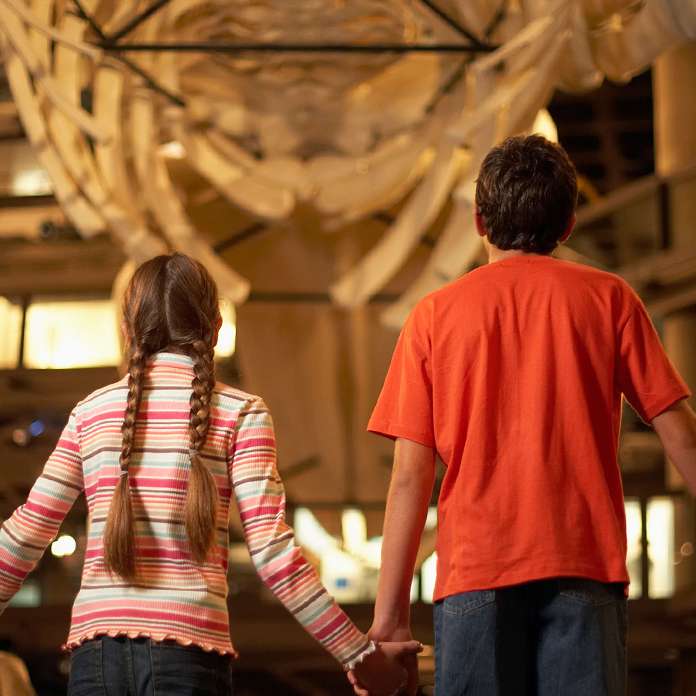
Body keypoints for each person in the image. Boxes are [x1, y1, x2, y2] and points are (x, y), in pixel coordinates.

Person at [354, 135, 696, 696]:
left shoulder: (434, 316)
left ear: (479, 221)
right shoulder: (611, 298)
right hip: (585, 565)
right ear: (567, 226)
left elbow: (410, 477)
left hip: (473, 574)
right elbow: (680, 434)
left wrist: (389, 620)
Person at [0, 253, 420, 696]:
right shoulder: (242, 413)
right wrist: (357, 655)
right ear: (217, 327)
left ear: (126, 331)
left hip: (94, 658)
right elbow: (273, 554)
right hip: (189, 656)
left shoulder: (91, 413)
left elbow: (27, 531)